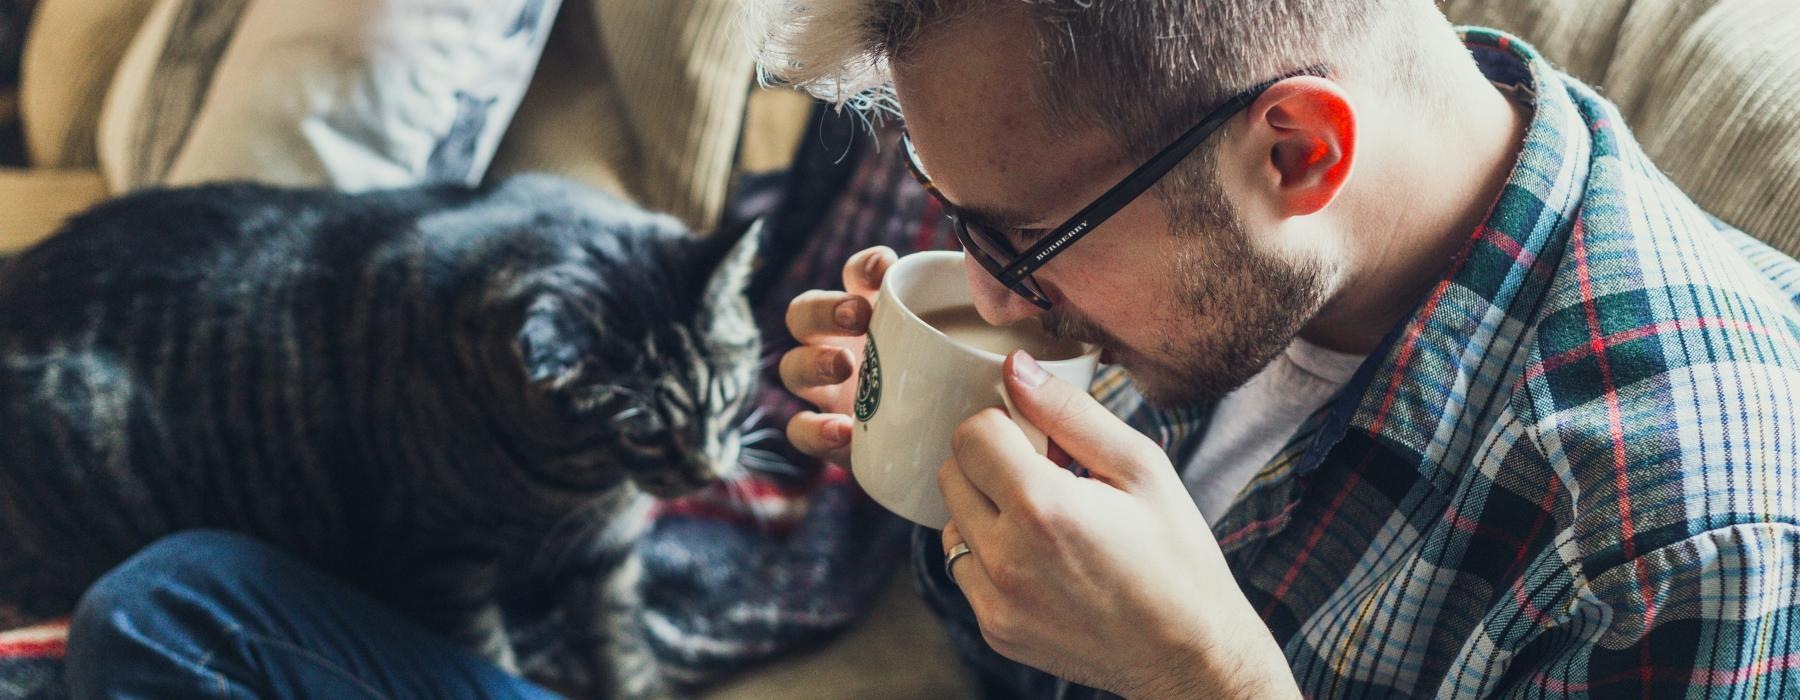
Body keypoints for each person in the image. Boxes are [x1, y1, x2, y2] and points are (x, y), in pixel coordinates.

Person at [754, 0, 1800, 697]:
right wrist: (961, 482)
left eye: (1023, 236)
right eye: (957, 216)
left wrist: (1205, 676)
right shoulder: (1228, 247)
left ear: (1299, 153)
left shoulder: (1677, 545)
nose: (987, 289)